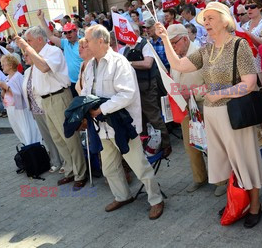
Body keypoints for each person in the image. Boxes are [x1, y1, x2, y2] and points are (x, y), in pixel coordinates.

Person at [155, 2, 262, 228]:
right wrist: (165, 38)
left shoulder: (239, 45)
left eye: (211, 19)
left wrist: (217, 95)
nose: (206, 23)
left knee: (245, 160)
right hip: (213, 115)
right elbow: (177, 63)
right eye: (204, 20)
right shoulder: (206, 50)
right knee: (229, 164)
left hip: (234, 114)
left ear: (225, 21)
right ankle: (237, 200)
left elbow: (249, 84)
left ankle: (255, 205)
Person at [81, 24, 164, 218]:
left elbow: (127, 94)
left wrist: (101, 109)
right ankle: (122, 195)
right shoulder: (90, 65)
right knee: (109, 167)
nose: (84, 44)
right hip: (100, 126)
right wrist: (85, 110)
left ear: (100, 41)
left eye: (87, 40)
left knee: (138, 165)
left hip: (122, 126)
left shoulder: (119, 62)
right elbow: (86, 91)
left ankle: (156, 199)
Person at [15, 26, 87, 190]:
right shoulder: (38, 54)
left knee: (69, 137)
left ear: (39, 39)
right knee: (58, 139)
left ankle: (81, 173)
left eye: (30, 40)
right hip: (46, 100)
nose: (28, 44)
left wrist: (27, 49)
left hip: (59, 97)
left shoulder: (53, 52)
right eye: (27, 41)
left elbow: (45, 67)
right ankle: (70, 169)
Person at [166, 24, 227, 196]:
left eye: (174, 43)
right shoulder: (175, 57)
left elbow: (213, 85)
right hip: (186, 108)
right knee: (190, 145)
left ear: (185, 39)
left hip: (204, 107)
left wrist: (191, 93)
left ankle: (221, 180)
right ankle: (199, 177)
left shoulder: (202, 53)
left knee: (212, 145)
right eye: (170, 45)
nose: (173, 48)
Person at [121, 22, 172, 157]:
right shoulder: (127, 48)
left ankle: (166, 145)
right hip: (134, 89)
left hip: (147, 88)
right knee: (140, 120)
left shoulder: (145, 45)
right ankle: (148, 145)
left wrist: (128, 63)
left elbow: (148, 63)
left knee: (154, 116)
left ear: (136, 32)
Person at [22, 53, 63, 173]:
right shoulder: (27, 71)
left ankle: (66, 161)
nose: (25, 57)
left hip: (47, 107)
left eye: (27, 55)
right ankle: (56, 161)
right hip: (35, 109)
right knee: (47, 138)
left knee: (58, 136)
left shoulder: (41, 70)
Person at [0, 55, 41, 145]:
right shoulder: (7, 78)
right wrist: (3, 88)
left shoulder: (18, 77)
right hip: (10, 108)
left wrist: (6, 86)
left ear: (10, 65)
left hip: (20, 108)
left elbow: (21, 94)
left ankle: (32, 147)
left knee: (25, 129)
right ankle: (26, 146)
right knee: (18, 129)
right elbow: (3, 95)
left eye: (3, 64)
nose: (1, 66)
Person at [37, 10, 83, 97]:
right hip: (73, 83)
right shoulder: (65, 43)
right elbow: (50, 36)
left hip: (85, 82)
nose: (67, 34)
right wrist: (42, 19)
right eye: (65, 33)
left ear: (75, 31)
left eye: (70, 32)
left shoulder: (83, 43)